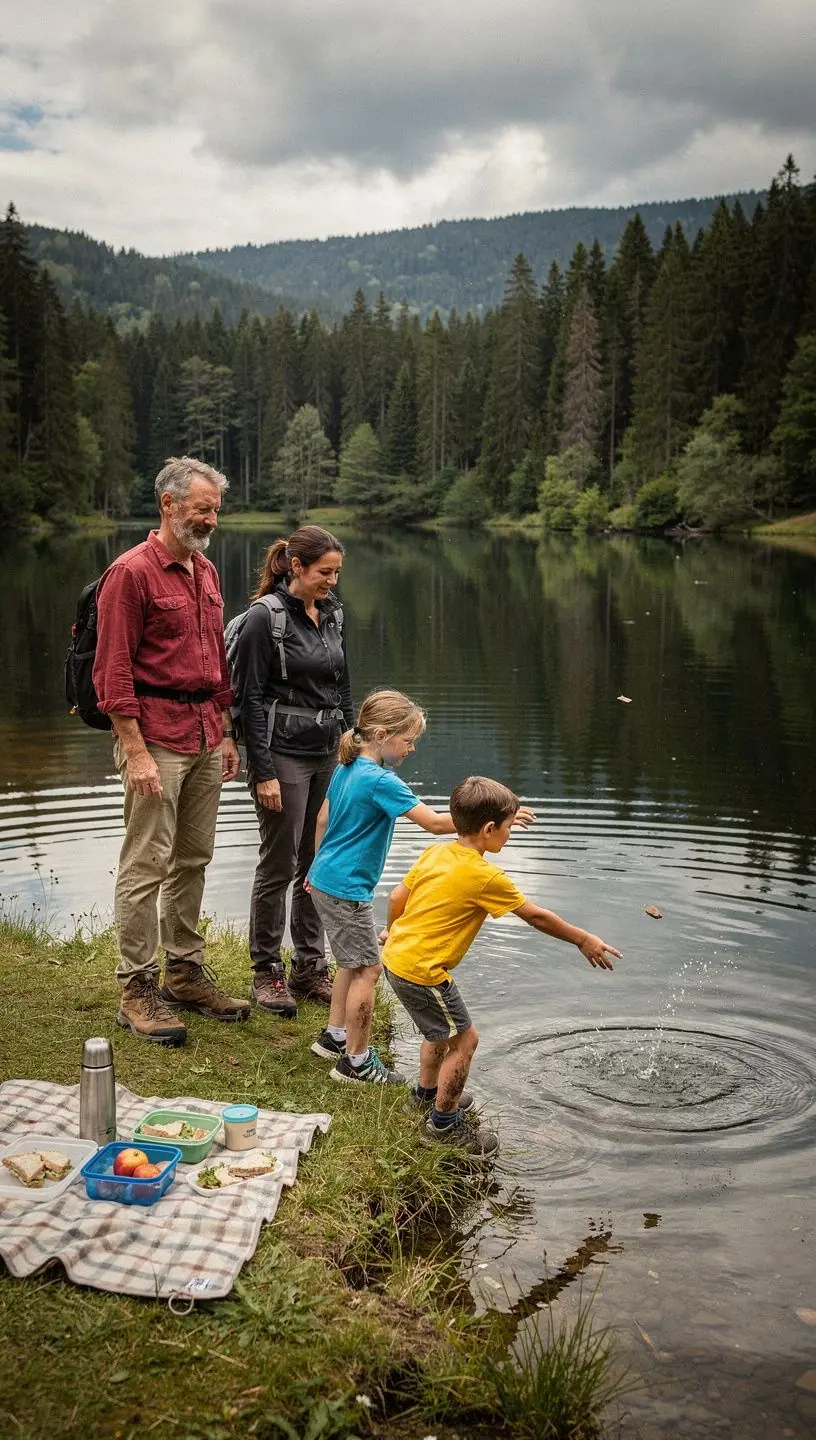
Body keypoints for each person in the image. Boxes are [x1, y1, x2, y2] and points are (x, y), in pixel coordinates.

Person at [93, 456, 249, 1046]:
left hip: (207, 731)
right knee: (146, 863)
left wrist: (228, 731)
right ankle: (136, 987)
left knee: (194, 856)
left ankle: (183, 973)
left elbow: (215, 662)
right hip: (154, 736)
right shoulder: (130, 574)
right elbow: (112, 673)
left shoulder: (205, 571)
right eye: (202, 508)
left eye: (215, 509)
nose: (211, 519)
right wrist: (134, 752)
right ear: (169, 504)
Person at [381, 776, 621, 1157]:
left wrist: (391, 932)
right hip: (423, 972)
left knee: (439, 1033)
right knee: (466, 1040)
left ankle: (426, 1097)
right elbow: (537, 917)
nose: (510, 834)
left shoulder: (436, 852)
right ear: (490, 829)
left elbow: (396, 897)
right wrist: (582, 939)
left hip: (396, 959)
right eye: (508, 827)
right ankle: (443, 1127)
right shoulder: (485, 876)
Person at [308, 690, 478, 1085]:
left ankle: (335, 1036)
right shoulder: (381, 780)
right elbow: (435, 824)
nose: (412, 747)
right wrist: (489, 816)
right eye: (408, 739)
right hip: (347, 888)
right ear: (382, 734)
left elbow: (321, 819)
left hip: (324, 879)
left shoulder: (345, 767)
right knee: (369, 968)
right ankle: (356, 1061)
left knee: (350, 964)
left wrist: (316, 868)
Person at [236, 526, 354, 1018]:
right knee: (280, 862)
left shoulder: (332, 613)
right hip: (281, 754)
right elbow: (249, 698)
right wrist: (261, 771)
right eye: (325, 573)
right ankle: (266, 970)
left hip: (329, 752)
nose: (332, 581)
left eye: (337, 573)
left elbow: (342, 684)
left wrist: (352, 742)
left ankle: (310, 967)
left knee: (318, 862)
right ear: (297, 567)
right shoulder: (266, 619)